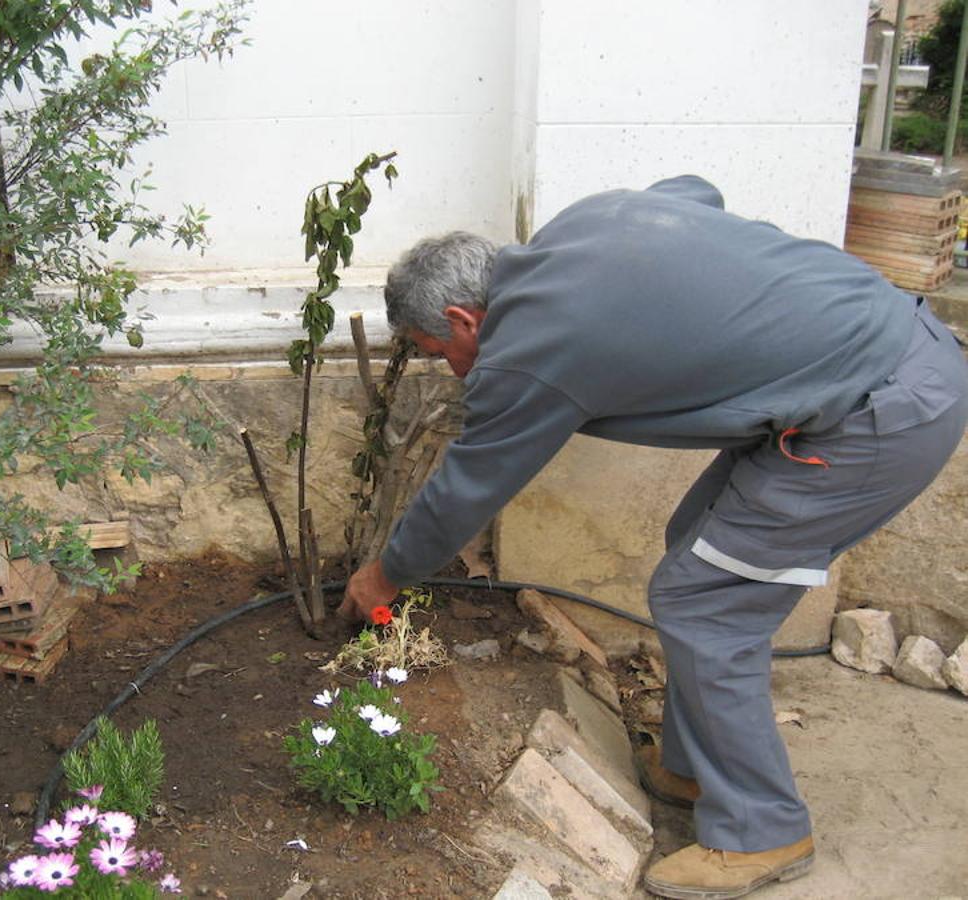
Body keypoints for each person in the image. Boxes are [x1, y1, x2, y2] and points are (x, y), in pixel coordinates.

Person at [336, 175, 968, 899]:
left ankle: (763, 830)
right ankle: (696, 765)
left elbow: (466, 490)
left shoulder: (528, 350)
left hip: (879, 411)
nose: (448, 367)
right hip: (881, 351)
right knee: (694, 542)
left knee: (707, 603)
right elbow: (698, 193)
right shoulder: (584, 225)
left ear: (464, 317)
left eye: (436, 348)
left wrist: (384, 575)